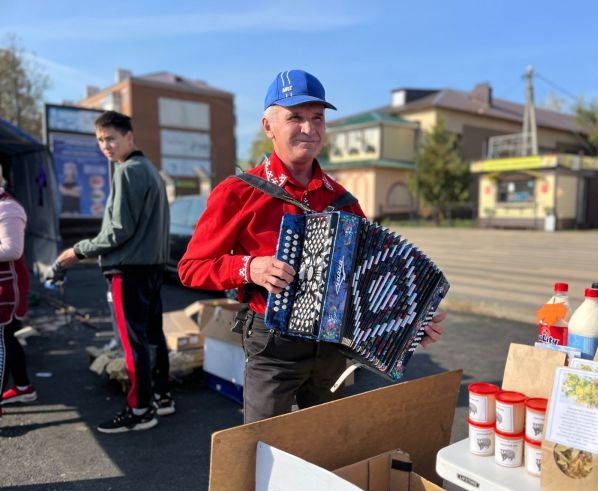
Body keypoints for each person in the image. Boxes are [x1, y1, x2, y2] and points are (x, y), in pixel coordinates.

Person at [179, 69, 445, 423]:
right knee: (262, 448)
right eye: (295, 117)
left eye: (317, 117)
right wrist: (249, 268)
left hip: (332, 350)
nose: (309, 127)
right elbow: (191, 268)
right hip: (272, 346)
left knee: (328, 448)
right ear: (268, 126)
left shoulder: (343, 199)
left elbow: (368, 278)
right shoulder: (237, 192)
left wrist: (409, 322)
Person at [56, 111, 173, 433]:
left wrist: (77, 251)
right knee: (151, 336)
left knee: (132, 341)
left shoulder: (127, 172)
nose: (105, 145)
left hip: (129, 269)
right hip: (150, 268)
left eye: (111, 138)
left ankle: (139, 410)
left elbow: (118, 230)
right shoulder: (150, 170)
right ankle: (162, 397)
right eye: (100, 140)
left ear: (129, 137)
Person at [0, 165, 34, 419]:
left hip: (7, 288)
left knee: (2, 341)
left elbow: (13, 251)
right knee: (8, 338)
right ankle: (23, 386)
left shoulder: (8, 208)